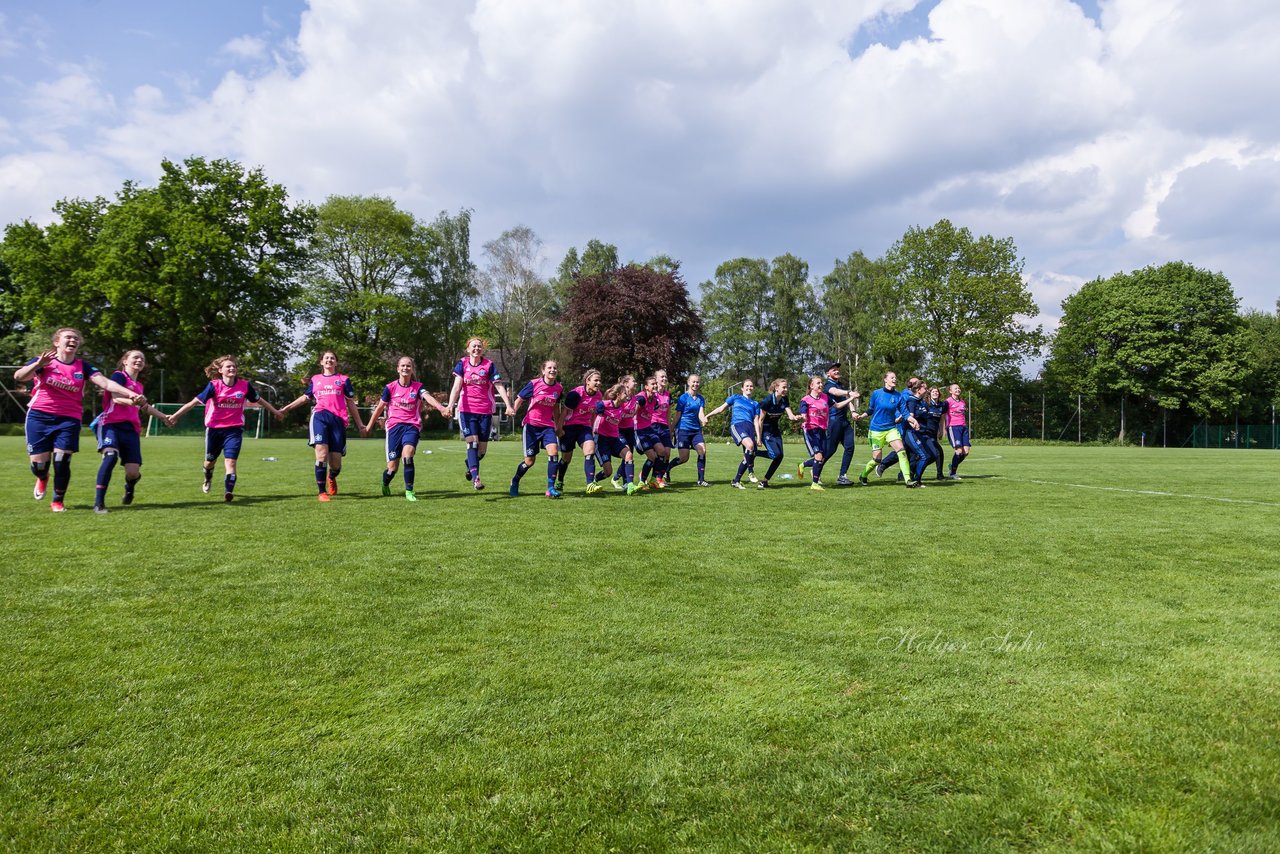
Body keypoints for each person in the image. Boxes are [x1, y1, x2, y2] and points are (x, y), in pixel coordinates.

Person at [16, 328, 148, 512]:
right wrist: (38, 364)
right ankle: (42, 477)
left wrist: (132, 394)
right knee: (39, 465)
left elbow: (106, 383)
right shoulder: (44, 360)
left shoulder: (83, 366)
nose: (73, 340)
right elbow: (19, 376)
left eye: (76, 338)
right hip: (39, 415)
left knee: (62, 459)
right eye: (68, 337)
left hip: (69, 418)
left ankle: (58, 501)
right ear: (57, 342)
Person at [168, 354, 283, 502]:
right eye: (228, 366)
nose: (232, 368)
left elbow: (260, 400)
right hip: (214, 429)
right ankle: (208, 478)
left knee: (231, 461)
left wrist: (276, 412)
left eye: (234, 366)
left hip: (234, 430)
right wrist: (175, 416)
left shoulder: (244, 385)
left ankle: (228, 492)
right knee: (209, 461)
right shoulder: (214, 386)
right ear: (220, 370)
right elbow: (193, 403)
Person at [279, 351, 366, 502]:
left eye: (332, 358)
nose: (329, 360)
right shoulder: (315, 379)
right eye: (326, 358)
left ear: (336, 362)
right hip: (319, 416)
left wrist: (360, 425)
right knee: (321, 454)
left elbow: (351, 402)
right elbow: (305, 398)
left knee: (336, 463)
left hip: (338, 421)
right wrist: (286, 409)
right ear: (321, 362)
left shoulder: (344, 380)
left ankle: (332, 476)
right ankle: (321, 492)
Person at [92, 349, 169, 513]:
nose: (139, 360)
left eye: (142, 358)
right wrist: (133, 400)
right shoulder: (119, 377)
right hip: (110, 424)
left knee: (133, 473)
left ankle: (129, 487)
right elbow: (115, 398)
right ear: (125, 361)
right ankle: (99, 503)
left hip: (131, 429)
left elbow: (144, 407)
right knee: (110, 457)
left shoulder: (139, 385)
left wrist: (163, 417)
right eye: (135, 357)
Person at [362, 356, 449, 501]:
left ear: (412, 369)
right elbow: (379, 408)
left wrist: (441, 408)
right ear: (398, 368)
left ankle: (409, 491)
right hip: (394, 427)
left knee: (408, 455)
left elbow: (428, 397)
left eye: (408, 366)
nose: (405, 368)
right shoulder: (390, 388)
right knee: (392, 468)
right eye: (402, 366)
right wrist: (369, 427)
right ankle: (385, 482)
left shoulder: (418, 387)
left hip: (411, 426)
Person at [445, 337, 514, 491]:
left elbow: (499, 386)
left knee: (481, 452)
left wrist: (508, 405)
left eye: (479, 346)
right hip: (467, 412)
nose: (476, 348)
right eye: (473, 346)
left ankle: (470, 465)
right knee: (472, 443)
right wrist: (450, 406)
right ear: (468, 349)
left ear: (482, 350)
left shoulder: (489, 365)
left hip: (485, 412)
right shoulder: (462, 364)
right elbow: (456, 387)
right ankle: (476, 479)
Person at [509, 360, 565, 498]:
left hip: (548, 426)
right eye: (550, 368)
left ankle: (550, 488)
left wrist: (558, 425)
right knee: (529, 461)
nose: (552, 370)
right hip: (531, 426)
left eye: (555, 368)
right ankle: (515, 480)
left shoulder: (558, 388)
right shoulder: (534, 384)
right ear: (543, 371)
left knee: (553, 453)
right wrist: (513, 410)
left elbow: (556, 408)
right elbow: (520, 399)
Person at [857, 371, 915, 487]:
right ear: (885, 379)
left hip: (891, 429)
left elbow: (905, 413)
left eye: (895, 378)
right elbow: (871, 409)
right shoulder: (876, 393)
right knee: (877, 460)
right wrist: (861, 416)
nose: (894, 379)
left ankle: (908, 480)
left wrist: (913, 421)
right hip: (876, 430)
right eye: (892, 377)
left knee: (902, 451)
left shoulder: (898, 396)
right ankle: (863, 475)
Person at [706, 379, 762, 490]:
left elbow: (756, 421)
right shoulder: (736, 398)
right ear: (742, 388)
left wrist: (759, 437)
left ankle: (736, 481)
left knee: (750, 455)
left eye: (751, 386)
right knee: (750, 446)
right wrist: (708, 416)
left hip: (749, 427)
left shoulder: (755, 404)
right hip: (737, 425)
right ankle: (751, 472)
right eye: (746, 386)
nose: (749, 388)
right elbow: (721, 409)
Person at [557, 368, 603, 493]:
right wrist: (559, 428)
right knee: (566, 458)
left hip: (584, 428)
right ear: (588, 381)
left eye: (600, 381)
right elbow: (564, 412)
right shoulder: (575, 394)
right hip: (569, 427)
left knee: (590, 450)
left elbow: (593, 414)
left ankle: (590, 484)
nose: (599, 383)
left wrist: (593, 429)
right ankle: (559, 480)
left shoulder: (599, 396)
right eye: (596, 380)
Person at [591, 375, 639, 495]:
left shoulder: (622, 407)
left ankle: (630, 485)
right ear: (618, 395)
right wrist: (593, 430)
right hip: (601, 440)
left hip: (614, 439)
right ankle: (594, 480)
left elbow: (631, 412)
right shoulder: (605, 404)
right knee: (608, 472)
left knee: (628, 455)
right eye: (624, 393)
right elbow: (593, 413)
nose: (626, 396)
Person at [756, 378, 802, 488]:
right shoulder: (767, 401)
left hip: (775, 430)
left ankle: (765, 481)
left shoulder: (784, 399)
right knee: (774, 454)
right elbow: (760, 420)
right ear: (776, 388)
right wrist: (759, 437)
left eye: (787, 387)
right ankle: (754, 453)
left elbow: (790, 416)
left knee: (780, 456)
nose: (786, 389)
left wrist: (797, 417)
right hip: (765, 430)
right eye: (784, 387)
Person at [822, 362, 862, 484]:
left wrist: (853, 411)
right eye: (833, 370)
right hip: (834, 421)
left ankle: (842, 476)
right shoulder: (828, 385)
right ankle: (809, 465)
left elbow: (846, 400)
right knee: (830, 450)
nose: (837, 371)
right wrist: (849, 393)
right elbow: (835, 392)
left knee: (850, 447)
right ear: (828, 373)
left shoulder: (840, 384)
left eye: (837, 369)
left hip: (844, 421)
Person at [667, 374, 710, 486]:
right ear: (688, 383)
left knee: (702, 451)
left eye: (697, 382)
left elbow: (701, 413)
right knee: (684, 458)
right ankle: (667, 469)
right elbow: (677, 416)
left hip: (696, 430)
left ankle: (701, 480)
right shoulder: (683, 398)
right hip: (683, 430)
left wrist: (703, 419)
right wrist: (671, 429)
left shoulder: (701, 399)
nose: (695, 384)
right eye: (693, 382)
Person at [796, 375, 831, 491]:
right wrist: (801, 417)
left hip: (822, 430)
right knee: (818, 456)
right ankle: (814, 483)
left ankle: (803, 465)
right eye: (818, 383)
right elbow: (803, 414)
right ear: (811, 386)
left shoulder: (825, 397)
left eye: (821, 383)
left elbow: (838, 405)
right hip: (810, 430)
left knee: (822, 458)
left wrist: (850, 398)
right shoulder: (805, 400)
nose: (821, 385)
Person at [635, 376, 670, 490]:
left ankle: (654, 479)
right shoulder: (641, 398)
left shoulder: (655, 399)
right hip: (639, 431)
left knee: (662, 451)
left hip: (649, 429)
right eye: (652, 384)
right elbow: (632, 412)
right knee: (652, 456)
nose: (655, 386)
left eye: (655, 383)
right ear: (646, 387)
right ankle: (642, 481)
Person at [942, 383, 971, 479]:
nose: (958, 389)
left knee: (965, 451)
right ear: (950, 391)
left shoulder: (962, 402)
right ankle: (952, 473)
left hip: (963, 427)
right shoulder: (948, 401)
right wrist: (943, 429)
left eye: (959, 388)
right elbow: (942, 414)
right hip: (953, 427)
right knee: (958, 450)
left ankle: (952, 466)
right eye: (955, 388)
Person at [922, 386, 947, 480]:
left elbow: (941, 419)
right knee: (935, 453)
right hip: (926, 433)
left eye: (936, 392)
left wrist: (942, 431)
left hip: (934, 433)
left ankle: (939, 474)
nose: (935, 393)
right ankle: (939, 475)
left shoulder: (941, 405)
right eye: (933, 392)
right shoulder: (926, 404)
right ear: (929, 393)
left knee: (937, 453)